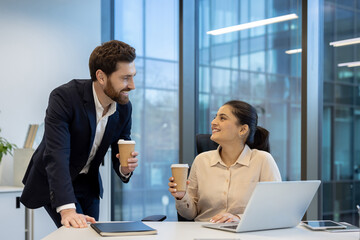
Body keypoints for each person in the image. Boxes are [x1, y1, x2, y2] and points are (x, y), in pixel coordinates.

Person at [20, 40, 139, 228]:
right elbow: (57, 154)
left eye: (133, 76)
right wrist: (67, 209)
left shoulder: (124, 108)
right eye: (125, 78)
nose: (132, 85)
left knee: (92, 233)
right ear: (101, 76)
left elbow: (121, 148)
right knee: (77, 232)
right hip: (57, 178)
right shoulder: (65, 97)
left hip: (88, 182)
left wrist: (125, 169)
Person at [168, 100, 281, 223]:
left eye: (222, 118)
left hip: (245, 233)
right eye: (215, 117)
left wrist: (239, 218)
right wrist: (182, 196)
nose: (213, 122)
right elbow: (190, 214)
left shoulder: (263, 160)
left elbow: (274, 209)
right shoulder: (201, 160)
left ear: (243, 130)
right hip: (204, 233)